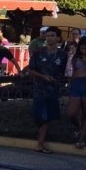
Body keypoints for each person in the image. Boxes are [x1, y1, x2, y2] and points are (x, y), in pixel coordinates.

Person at [27, 26, 67, 154]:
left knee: (48, 118)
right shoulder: (38, 52)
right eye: (48, 35)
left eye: (52, 36)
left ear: (58, 38)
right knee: (39, 117)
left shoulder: (63, 54)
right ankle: (39, 141)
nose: (49, 38)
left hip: (53, 90)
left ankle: (40, 143)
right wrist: (42, 76)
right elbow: (31, 69)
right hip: (39, 88)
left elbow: (64, 71)